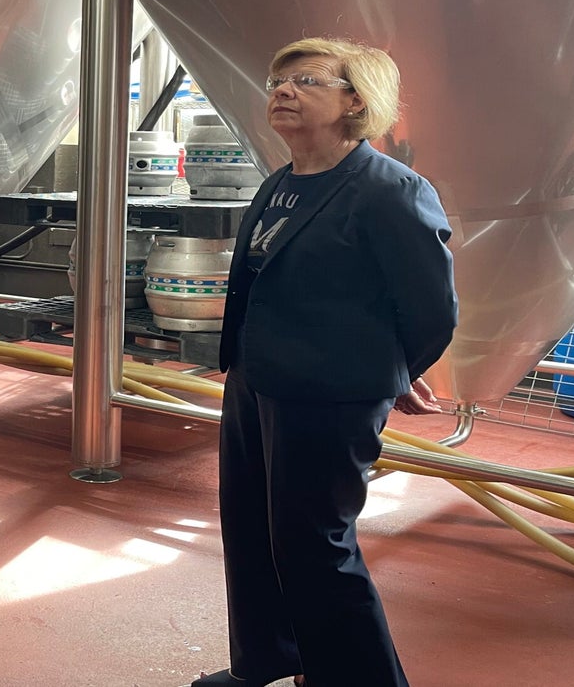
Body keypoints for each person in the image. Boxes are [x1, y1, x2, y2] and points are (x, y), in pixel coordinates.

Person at [193, 38, 457, 687]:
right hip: (257, 385)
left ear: (355, 101)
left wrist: (379, 374)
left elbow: (431, 310)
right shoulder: (283, 183)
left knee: (315, 547)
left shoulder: (389, 191)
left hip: (329, 397)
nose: (281, 90)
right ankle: (267, 661)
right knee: (253, 535)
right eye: (277, 79)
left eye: (306, 80)